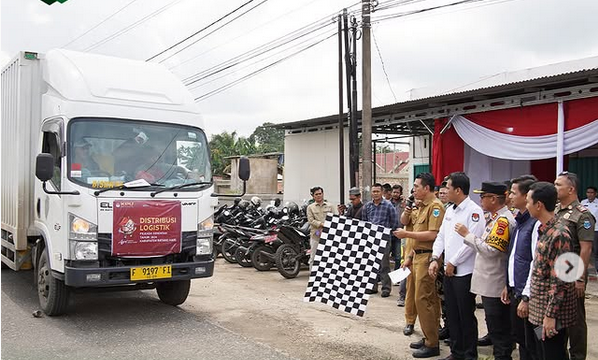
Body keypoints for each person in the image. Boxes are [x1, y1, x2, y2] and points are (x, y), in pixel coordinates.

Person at [428, 172, 485, 360]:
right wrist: (435, 257)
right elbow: (442, 236)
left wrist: (453, 262)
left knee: (465, 316)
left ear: (458, 190)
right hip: (449, 271)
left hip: (464, 272)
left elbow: (471, 243)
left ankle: (469, 354)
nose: (444, 191)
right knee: (452, 314)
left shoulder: (474, 211)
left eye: (448, 188)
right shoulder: (450, 210)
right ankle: (456, 352)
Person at [457, 181, 516, 360]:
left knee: (499, 329)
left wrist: (468, 235)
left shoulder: (503, 221)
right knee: (494, 325)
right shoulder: (494, 218)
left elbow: (492, 251)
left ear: (493, 199)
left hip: (495, 281)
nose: (480, 200)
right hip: (489, 281)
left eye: (483, 196)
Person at [394, 173, 444, 358]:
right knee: (416, 298)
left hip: (428, 258)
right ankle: (428, 336)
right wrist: (409, 256)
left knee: (425, 300)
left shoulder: (436, 207)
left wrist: (407, 236)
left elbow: (432, 235)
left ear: (427, 188)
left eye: (416, 186)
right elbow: (409, 225)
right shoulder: (420, 206)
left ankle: (432, 343)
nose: (413, 189)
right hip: (417, 256)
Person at [526, 182, 577, 360]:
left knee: (552, 355)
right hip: (539, 310)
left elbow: (561, 281)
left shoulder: (559, 234)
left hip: (551, 315)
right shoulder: (544, 230)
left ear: (538, 205)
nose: (527, 206)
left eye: (528, 202)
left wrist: (550, 316)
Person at [554, 172, 595, 360]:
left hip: (572, 271)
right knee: (555, 313)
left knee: (575, 319)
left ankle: (577, 356)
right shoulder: (555, 210)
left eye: (558, 185)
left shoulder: (583, 215)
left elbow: (586, 249)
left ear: (570, 189)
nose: (555, 188)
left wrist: (580, 278)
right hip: (555, 270)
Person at [501, 175, 541, 360]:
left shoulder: (535, 225)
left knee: (535, 341)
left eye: (514, 193)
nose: (509, 196)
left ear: (527, 197)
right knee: (521, 339)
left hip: (530, 294)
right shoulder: (520, 221)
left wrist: (526, 296)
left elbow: (534, 263)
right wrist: (507, 284)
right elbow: (514, 257)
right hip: (516, 290)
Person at [361, 183, 399, 297]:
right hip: (371, 238)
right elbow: (365, 222)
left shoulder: (388, 205)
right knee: (371, 263)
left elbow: (394, 222)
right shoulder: (367, 206)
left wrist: (387, 233)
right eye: (373, 192)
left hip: (384, 238)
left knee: (384, 264)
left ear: (382, 192)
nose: (375, 194)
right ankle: (372, 287)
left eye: (377, 191)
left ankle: (386, 288)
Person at [306, 187, 336, 266]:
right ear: (313, 196)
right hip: (316, 235)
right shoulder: (310, 207)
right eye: (316, 194)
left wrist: (327, 227)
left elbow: (335, 218)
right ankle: (313, 276)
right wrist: (322, 225)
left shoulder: (330, 206)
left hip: (329, 235)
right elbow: (311, 221)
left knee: (329, 257)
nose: (319, 195)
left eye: (320, 194)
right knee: (314, 257)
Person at [580, 186, 598, 274]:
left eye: (592, 193)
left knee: (596, 250)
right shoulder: (583, 202)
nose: (589, 194)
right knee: (584, 249)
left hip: (596, 229)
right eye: (588, 192)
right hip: (584, 229)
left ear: (595, 194)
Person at [390, 184, 404, 270]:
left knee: (398, 256)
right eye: (394, 192)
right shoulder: (387, 203)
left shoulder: (403, 204)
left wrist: (404, 204)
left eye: (397, 192)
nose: (395, 194)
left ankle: (397, 275)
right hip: (389, 232)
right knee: (385, 254)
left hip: (400, 232)